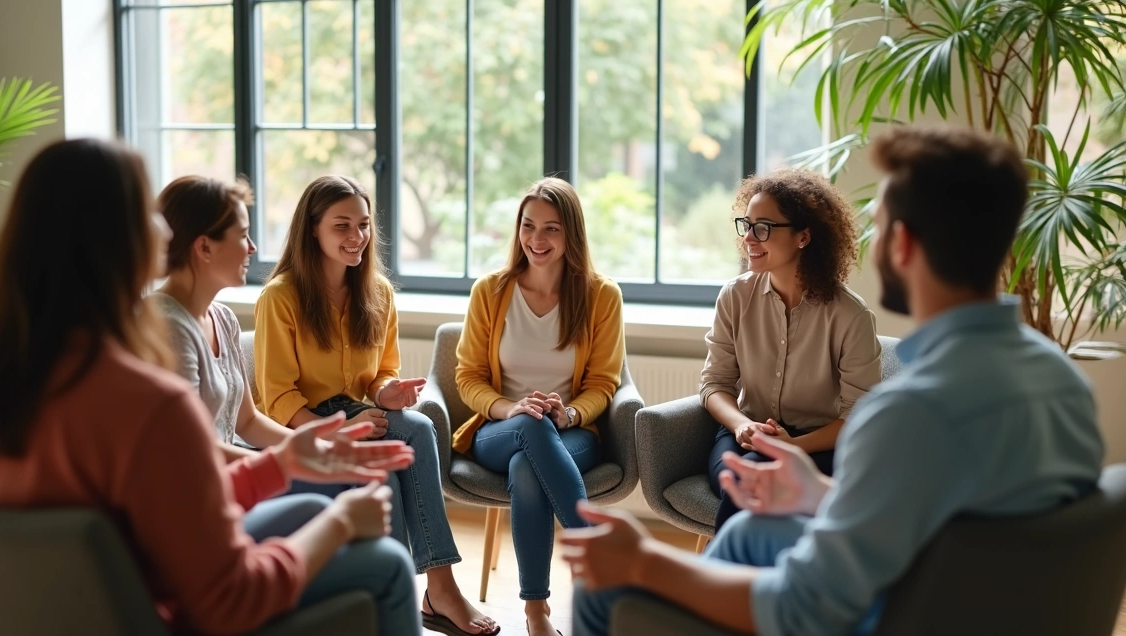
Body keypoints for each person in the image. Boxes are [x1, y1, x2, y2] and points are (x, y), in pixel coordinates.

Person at [564, 126, 1105, 636]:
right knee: (754, 532)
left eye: (880, 221)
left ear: (904, 245)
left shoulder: (910, 413)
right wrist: (819, 491)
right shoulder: (1060, 380)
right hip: (974, 605)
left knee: (597, 589)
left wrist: (644, 559)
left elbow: (800, 606)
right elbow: (954, 527)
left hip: (896, 614)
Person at [0, 139, 422, 635]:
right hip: (148, 609)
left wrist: (283, 462)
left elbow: (155, 497)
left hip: (48, 610)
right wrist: (342, 522)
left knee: (309, 507)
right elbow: (231, 601)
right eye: (148, 211)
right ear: (117, 240)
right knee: (384, 562)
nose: (164, 227)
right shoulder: (149, 402)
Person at [254, 175, 497, 636]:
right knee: (391, 450)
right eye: (342, 226)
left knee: (416, 425)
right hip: (305, 422)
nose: (356, 237)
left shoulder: (379, 293)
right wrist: (338, 434)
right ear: (313, 230)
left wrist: (388, 392)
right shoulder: (281, 298)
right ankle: (416, 592)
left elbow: (378, 373)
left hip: (356, 409)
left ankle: (423, 591)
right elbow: (277, 396)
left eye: (363, 225)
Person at [455, 177, 625, 636]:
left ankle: (535, 613)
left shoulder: (601, 295)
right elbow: (467, 377)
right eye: (528, 226)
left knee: (528, 469)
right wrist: (509, 407)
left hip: (570, 432)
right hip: (501, 428)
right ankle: (598, 567)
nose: (536, 239)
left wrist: (568, 413)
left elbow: (603, 383)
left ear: (572, 234)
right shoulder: (490, 291)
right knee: (529, 427)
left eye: (551, 228)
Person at [703, 169, 881, 531]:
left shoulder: (851, 315)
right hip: (745, 437)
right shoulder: (734, 297)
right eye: (747, 224)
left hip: (819, 447)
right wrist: (742, 426)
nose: (749, 238)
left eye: (764, 227)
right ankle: (734, 582)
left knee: (768, 485)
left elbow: (859, 417)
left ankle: (726, 582)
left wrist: (794, 446)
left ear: (803, 237)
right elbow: (714, 385)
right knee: (744, 480)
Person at [152, 176, 294, 462]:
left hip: (225, 477)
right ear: (204, 248)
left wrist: (318, 446)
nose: (252, 247)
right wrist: (285, 463)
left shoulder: (224, 318)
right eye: (243, 235)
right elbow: (190, 447)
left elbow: (247, 422)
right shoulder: (168, 326)